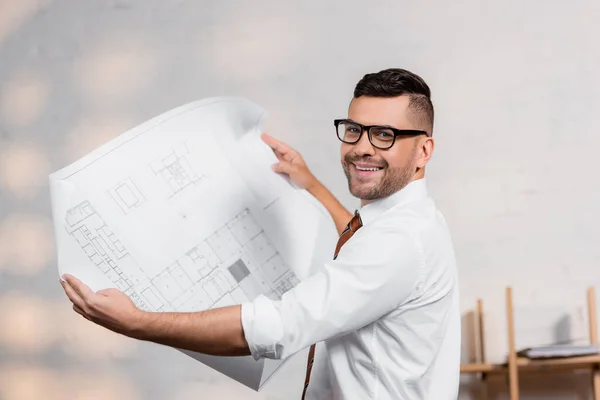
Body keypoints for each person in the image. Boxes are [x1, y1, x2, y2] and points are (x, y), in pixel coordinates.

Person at [61, 68, 461, 399]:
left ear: (424, 151)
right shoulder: (408, 221)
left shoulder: (399, 241)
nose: (361, 147)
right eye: (354, 130)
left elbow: (279, 326)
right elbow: (360, 243)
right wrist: (311, 184)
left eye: (384, 135)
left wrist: (138, 323)